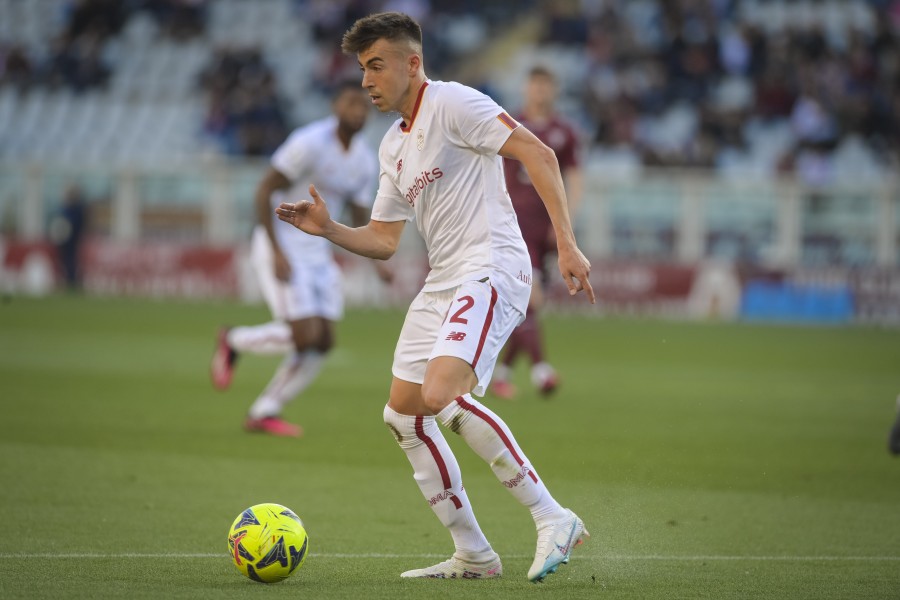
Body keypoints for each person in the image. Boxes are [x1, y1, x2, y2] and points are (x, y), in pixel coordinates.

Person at [274, 12, 595, 582]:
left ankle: (553, 516)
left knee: (442, 392)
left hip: (493, 265)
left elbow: (539, 154)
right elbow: (383, 240)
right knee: (402, 415)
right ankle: (474, 554)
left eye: (376, 65)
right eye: (361, 68)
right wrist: (329, 230)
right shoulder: (392, 147)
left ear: (412, 63)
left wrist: (567, 246)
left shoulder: (452, 102)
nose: (366, 80)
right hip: (443, 279)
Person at [210, 80, 390, 437]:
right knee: (303, 334)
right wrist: (275, 249)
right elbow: (264, 190)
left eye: (363, 106)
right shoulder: (309, 142)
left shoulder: (364, 160)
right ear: (335, 106)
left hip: (317, 249)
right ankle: (232, 340)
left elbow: (357, 211)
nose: (357, 111)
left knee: (323, 342)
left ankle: (265, 410)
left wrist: (377, 259)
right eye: (350, 103)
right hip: (284, 242)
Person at [492, 66, 583, 400]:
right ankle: (541, 371)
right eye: (535, 85)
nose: (540, 92)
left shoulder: (564, 132)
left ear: (554, 90)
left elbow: (575, 178)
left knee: (529, 305)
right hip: (515, 223)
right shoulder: (509, 123)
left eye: (546, 86)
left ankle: (499, 373)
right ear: (526, 88)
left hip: (548, 226)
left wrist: (565, 226)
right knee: (531, 297)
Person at [50, 185, 87, 291]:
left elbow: (74, 225)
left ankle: (71, 282)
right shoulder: (68, 209)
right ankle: (69, 281)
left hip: (71, 241)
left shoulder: (74, 209)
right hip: (66, 241)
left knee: (71, 262)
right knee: (67, 262)